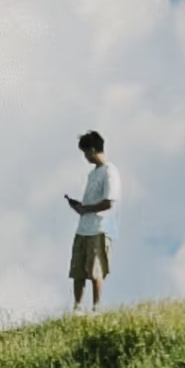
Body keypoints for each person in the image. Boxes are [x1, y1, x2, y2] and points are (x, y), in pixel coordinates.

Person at [65, 131, 121, 314]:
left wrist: (85, 209)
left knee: (95, 269)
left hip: (100, 228)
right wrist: (79, 207)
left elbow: (108, 202)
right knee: (78, 270)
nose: (85, 157)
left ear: (92, 150)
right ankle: (78, 307)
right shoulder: (93, 174)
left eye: (85, 152)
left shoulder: (110, 172)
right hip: (83, 228)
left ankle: (96, 307)